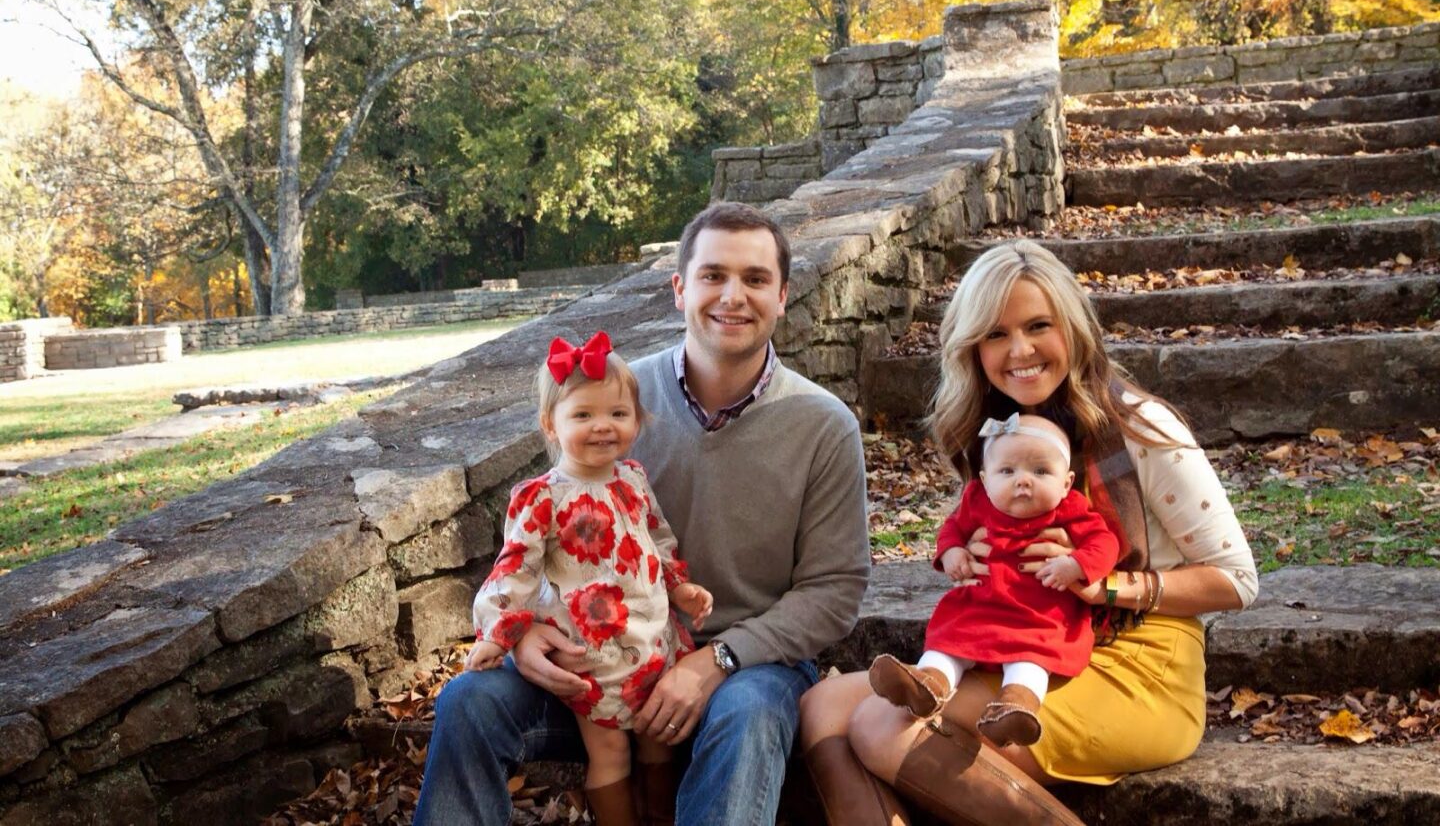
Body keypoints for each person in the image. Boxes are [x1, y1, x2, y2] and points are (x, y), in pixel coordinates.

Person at [414, 202, 871, 826]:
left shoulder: (823, 426)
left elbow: (834, 591)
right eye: (713, 275)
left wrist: (717, 659)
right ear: (680, 288)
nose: (732, 295)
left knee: (749, 715)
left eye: (755, 279)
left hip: (747, 668)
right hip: (600, 665)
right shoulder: (612, 399)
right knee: (469, 701)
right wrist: (522, 633)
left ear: (783, 295)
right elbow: (542, 530)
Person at [797, 238, 1258, 826]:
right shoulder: (999, 433)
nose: (1019, 350)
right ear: (973, 347)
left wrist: (1106, 585)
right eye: (996, 333)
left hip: (1137, 661)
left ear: (1073, 327)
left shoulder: (1138, 427)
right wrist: (968, 557)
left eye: (1039, 325)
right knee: (823, 706)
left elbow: (1237, 581)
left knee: (882, 724)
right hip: (1025, 641)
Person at [466, 330, 715, 823]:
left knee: (658, 742)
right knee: (610, 752)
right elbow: (515, 567)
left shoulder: (633, 479)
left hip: (651, 640)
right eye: (583, 415)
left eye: (618, 413)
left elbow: (657, 536)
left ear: (636, 421)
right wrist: (497, 632)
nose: (603, 426)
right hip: (591, 656)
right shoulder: (543, 497)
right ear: (551, 425)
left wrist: (679, 585)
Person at [868, 413, 1119, 750]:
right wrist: (952, 551)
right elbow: (952, 528)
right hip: (980, 608)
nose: (1023, 481)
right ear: (985, 480)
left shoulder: (1071, 509)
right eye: (1008, 471)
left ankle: (1014, 707)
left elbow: (1105, 543)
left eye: (1040, 471)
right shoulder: (977, 500)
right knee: (950, 640)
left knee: (1032, 660)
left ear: (1066, 483)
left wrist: (1076, 564)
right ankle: (927, 685)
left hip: (1039, 617)